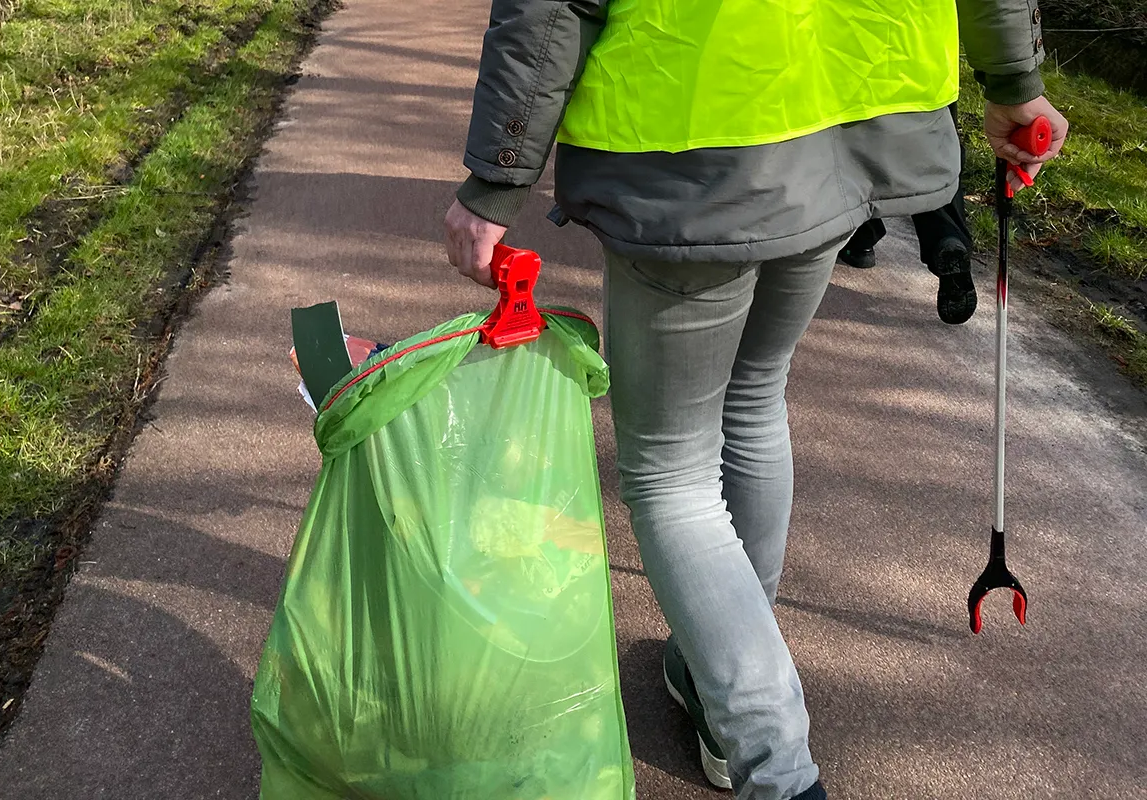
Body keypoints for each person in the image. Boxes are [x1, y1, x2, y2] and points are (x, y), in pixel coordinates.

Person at [444, 1, 1067, 798]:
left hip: (685, 152)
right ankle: (717, 687)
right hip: (844, 136)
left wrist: (497, 176)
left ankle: (777, 768)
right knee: (752, 398)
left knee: (671, 473)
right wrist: (1015, 80)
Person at [836, 102, 979, 325]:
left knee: (857, 131)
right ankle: (946, 236)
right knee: (932, 148)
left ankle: (860, 237)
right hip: (931, 77)